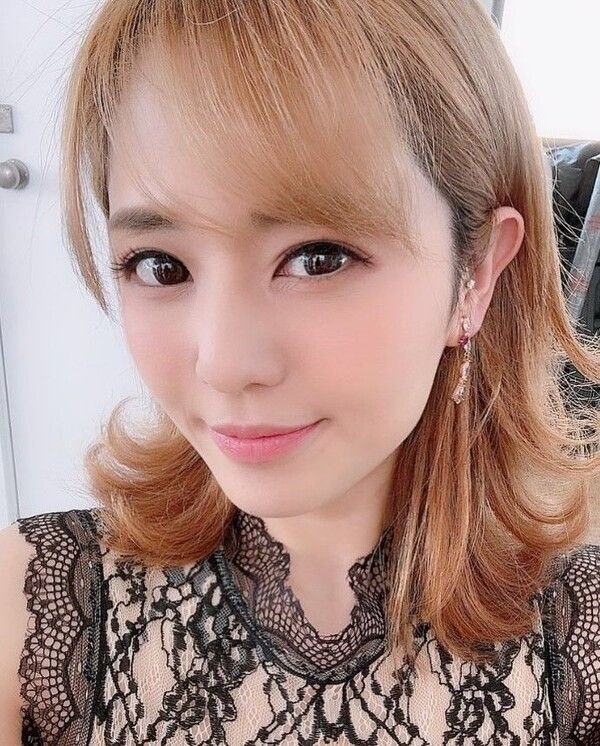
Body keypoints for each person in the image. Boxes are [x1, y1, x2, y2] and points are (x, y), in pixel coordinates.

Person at [1, 0, 599, 743]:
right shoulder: (35, 609)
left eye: (318, 259)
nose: (224, 365)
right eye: (160, 265)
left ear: (474, 273)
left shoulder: (579, 643)